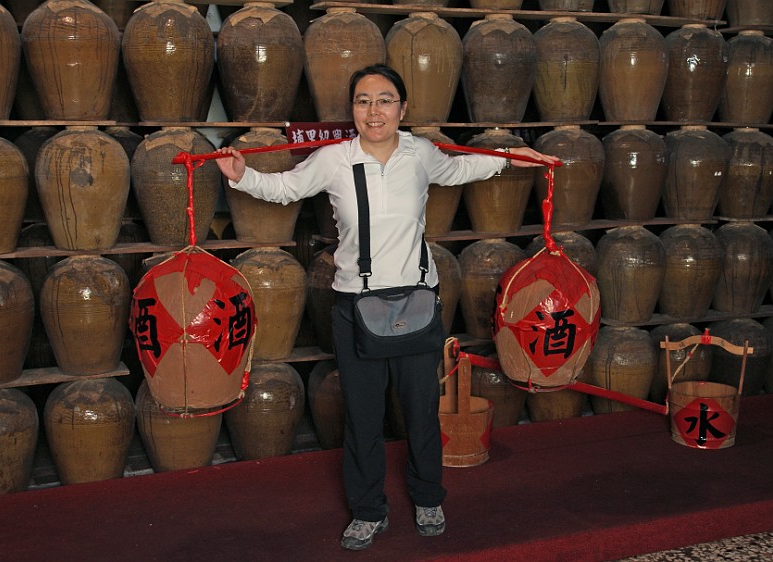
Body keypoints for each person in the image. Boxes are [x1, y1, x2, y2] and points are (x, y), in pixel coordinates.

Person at [215, 64, 560, 551]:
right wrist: (242, 175)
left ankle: (427, 497)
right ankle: (368, 509)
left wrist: (508, 157)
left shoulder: (420, 153)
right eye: (362, 101)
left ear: (403, 108)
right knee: (362, 415)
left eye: (384, 100)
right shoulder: (333, 158)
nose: (373, 111)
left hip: (417, 301)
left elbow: (461, 167)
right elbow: (286, 188)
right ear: (351, 109)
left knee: (420, 411)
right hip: (354, 305)